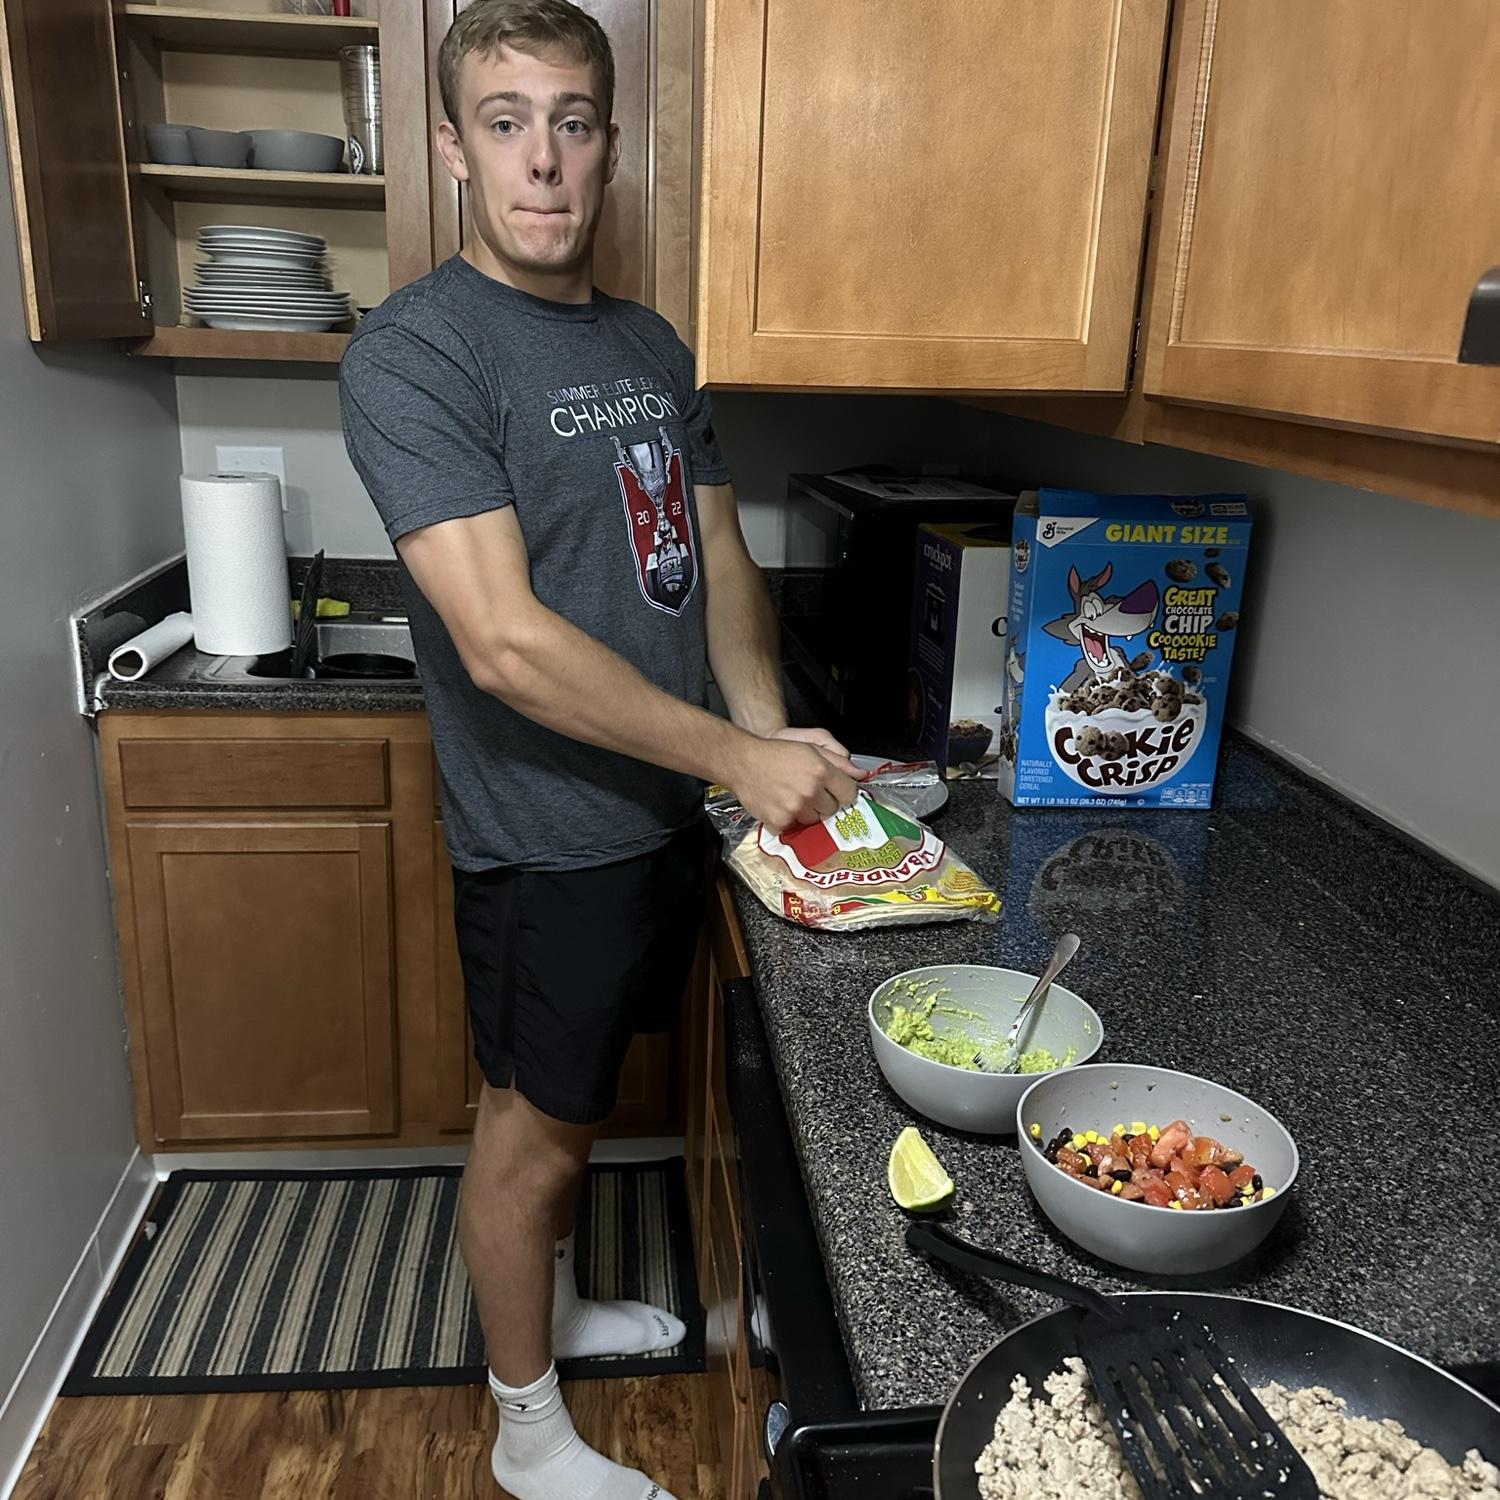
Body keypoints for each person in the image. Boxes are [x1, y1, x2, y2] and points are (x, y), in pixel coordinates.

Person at [339, 3, 858, 1496]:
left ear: (609, 145)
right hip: (542, 841)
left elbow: (716, 554)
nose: (543, 162)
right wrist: (735, 761)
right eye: (505, 123)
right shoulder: (415, 355)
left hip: (669, 819)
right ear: (452, 148)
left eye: (572, 122)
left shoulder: (650, 342)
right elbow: (501, 639)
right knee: (534, 1130)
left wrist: (758, 728)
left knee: (583, 1109)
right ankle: (525, 1430)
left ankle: (553, 1314)